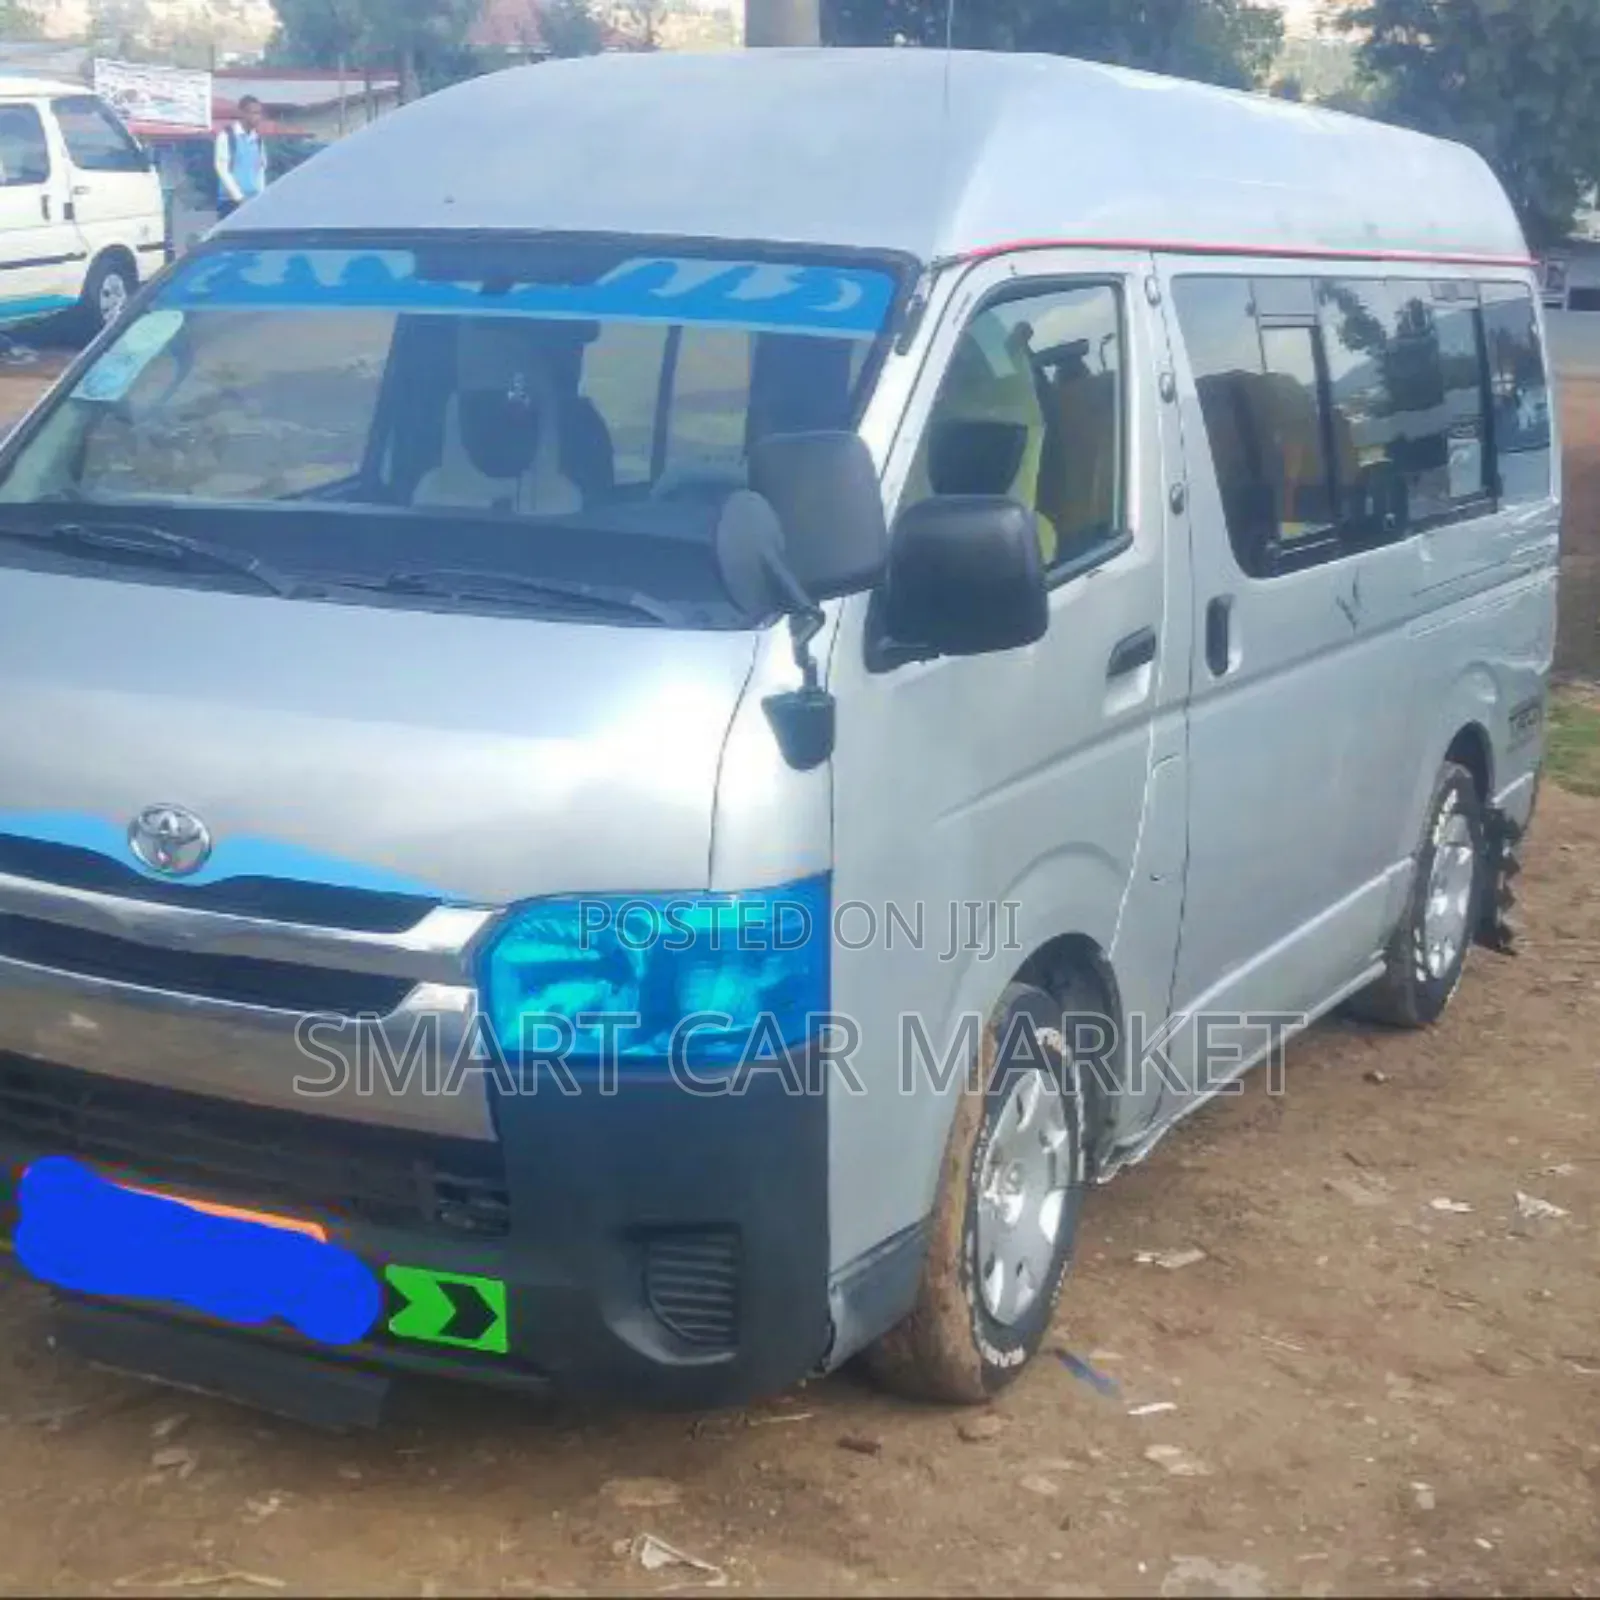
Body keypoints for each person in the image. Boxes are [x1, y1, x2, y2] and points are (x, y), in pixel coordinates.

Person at [214, 95, 267, 220]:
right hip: (230, 202)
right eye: (253, 113)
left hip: (253, 201)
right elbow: (222, 169)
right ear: (242, 114)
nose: (257, 118)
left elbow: (260, 169)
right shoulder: (227, 136)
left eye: (259, 114)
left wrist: (261, 196)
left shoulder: (258, 140)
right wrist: (239, 198)